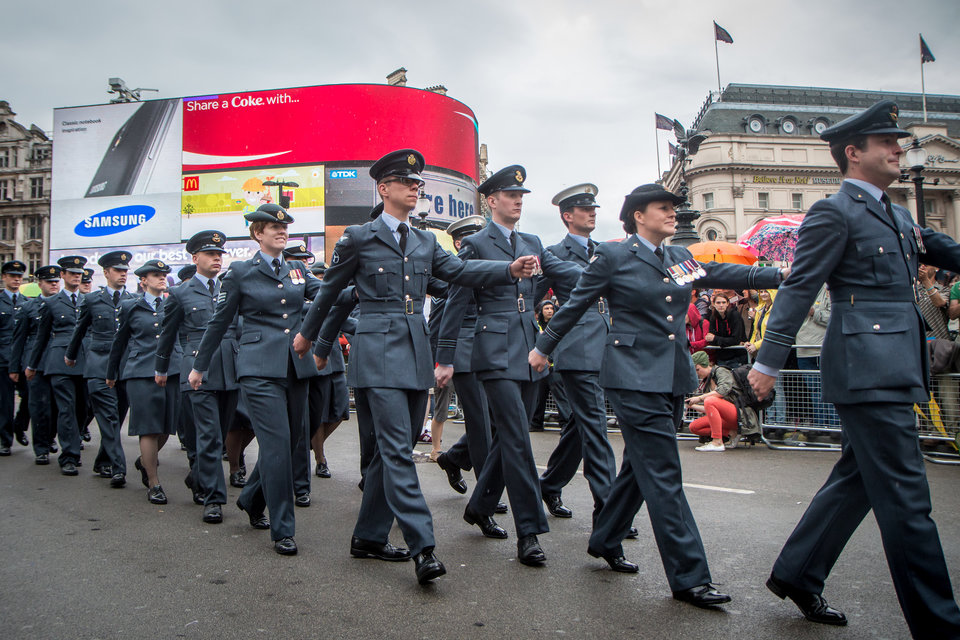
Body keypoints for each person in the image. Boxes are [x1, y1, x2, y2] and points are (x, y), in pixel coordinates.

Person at [748, 100, 960, 636]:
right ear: (853, 153)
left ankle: (799, 572)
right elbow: (800, 286)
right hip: (867, 370)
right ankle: (941, 626)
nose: (898, 148)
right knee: (908, 499)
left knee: (861, 479)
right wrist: (769, 361)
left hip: (896, 364)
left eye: (898, 141)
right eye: (887, 142)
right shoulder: (832, 212)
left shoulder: (899, 213)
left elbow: (949, 250)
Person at [529, 183, 784, 607]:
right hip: (630, 377)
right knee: (664, 473)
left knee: (639, 468)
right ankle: (690, 578)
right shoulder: (612, 256)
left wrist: (779, 274)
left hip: (671, 376)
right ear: (638, 216)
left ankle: (606, 537)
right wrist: (543, 348)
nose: (672, 214)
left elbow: (723, 275)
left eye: (673, 208)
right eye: (663, 208)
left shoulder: (678, 257)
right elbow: (575, 304)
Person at [293, 150, 536, 584]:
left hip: (414, 352)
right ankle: (423, 545)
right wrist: (310, 336)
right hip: (376, 350)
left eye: (418, 182)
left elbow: (460, 272)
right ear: (384, 188)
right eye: (407, 181)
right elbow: (330, 290)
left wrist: (507, 269)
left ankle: (368, 537)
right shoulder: (359, 236)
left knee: (397, 448)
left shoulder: (426, 240)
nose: (415, 187)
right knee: (396, 452)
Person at [434, 165, 581, 568]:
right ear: (492, 200)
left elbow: (564, 273)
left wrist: (604, 274)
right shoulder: (477, 244)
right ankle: (529, 532)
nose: (518, 200)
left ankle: (479, 506)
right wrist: (446, 357)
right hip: (493, 351)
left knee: (506, 439)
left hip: (530, 350)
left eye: (522, 195)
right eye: (510, 194)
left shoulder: (533, 241)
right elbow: (456, 301)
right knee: (517, 437)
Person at [191, 204, 320, 555]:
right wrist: (199, 366)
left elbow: (322, 296)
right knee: (277, 445)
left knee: (294, 442)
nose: (282, 231)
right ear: (257, 234)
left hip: (295, 366)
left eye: (285, 227)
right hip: (258, 368)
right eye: (273, 227)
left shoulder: (297, 269)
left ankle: (250, 497)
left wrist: (355, 292)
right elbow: (218, 323)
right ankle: (283, 529)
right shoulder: (240, 272)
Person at [535, 183, 621, 530]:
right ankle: (611, 511)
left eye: (594, 208)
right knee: (597, 428)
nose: (593, 213)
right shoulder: (554, 254)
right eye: (585, 209)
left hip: (605, 348)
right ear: (568, 216)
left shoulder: (605, 251)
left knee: (579, 426)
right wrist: (538, 341)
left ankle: (549, 483)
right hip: (575, 350)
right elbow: (530, 298)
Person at [157, 231, 241, 522]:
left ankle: (198, 478)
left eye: (220, 254)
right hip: (196, 371)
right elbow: (167, 335)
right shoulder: (180, 293)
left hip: (230, 368)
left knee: (221, 433)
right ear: (195, 259)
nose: (217, 258)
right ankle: (214, 499)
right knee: (209, 436)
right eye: (210, 254)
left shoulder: (231, 287)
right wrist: (161, 368)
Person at [433, 215, 499, 504]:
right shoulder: (456, 272)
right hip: (465, 352)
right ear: (461, 242)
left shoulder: (485, 267)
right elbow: (443, 318)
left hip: (489, 349)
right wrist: (445, 357)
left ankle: (454, 458)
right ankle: (486, 493)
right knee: (480, 424)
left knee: (497, 421)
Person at [107, 260, 181, 504]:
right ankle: (154, 482)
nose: (162, 278)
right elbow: (119, 342)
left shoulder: (174, 303)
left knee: (166, 428)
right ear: (143, 281)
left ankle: (143, 461)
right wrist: (111, 372)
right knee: (148, 427)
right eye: (156, 275)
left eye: (164, 275)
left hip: (171, 370)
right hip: (140, 372)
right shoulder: (131, 306)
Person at [65, 250, 134, 487]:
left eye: (125, 271)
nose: (123, 274)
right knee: (109, 417)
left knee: (118, 414)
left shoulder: (133, 300)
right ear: (106, 273)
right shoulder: (92, 300)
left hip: (125, 368)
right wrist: (71, 356)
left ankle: (103, 461)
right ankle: (118, 467)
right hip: (98, 366)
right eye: (118, 270)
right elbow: (79, 330)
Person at [26, 256, 89, 476]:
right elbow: (41, 338)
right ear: (63, 276)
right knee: (66, 409)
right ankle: (69, 456)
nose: (76, 277)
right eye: (71, 273)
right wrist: (32, 365)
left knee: (83, 409)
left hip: (84, 362)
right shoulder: (51, 304)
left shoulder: (89, 301)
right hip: (58, 362)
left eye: (79, 274)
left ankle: (74, 441)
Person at [10, 265, 60, 464]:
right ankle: (41, 448)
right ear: (40, 284)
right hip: (35, 362)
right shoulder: (29, 307)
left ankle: (50, 437)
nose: (54, 285)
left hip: (57, 361)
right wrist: (14, 368)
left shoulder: (63, 305)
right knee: (39, 406)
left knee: (58, 406)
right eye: (49, 282)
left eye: (56, 281)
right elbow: (19, 339)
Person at [686, 350, 745, 451]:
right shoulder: (707, 380)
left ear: (704, 365)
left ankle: (717, 442)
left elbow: (723, 391)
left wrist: (699, 398)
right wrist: (691, 405)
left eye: (697, 369)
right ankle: (731, 432)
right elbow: (710, 409)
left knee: (710, 400)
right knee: (694, 427)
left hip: (739, 413)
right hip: (725, 415)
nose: (697, 373)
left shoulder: (721, 371)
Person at [0, 260, 27, 455]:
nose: (16, 279)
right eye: (12, 276)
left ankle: (19, 425)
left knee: (30, 398)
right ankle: (5, 440)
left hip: (24, 360)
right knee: (5, 402)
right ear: (4, 278)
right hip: (3, 359)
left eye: (19, 276)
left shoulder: (27, 302)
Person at [704, 292, 747, 367]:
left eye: (723, 302)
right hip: (721, 357)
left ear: (727, 303)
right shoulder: (713, 317)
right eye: (718, 303)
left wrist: (716, 338)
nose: (721, 305)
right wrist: (713, 339)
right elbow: (711, 340)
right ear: (713, 304)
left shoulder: (735, 315)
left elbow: (735, 340)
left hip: (737, 357)